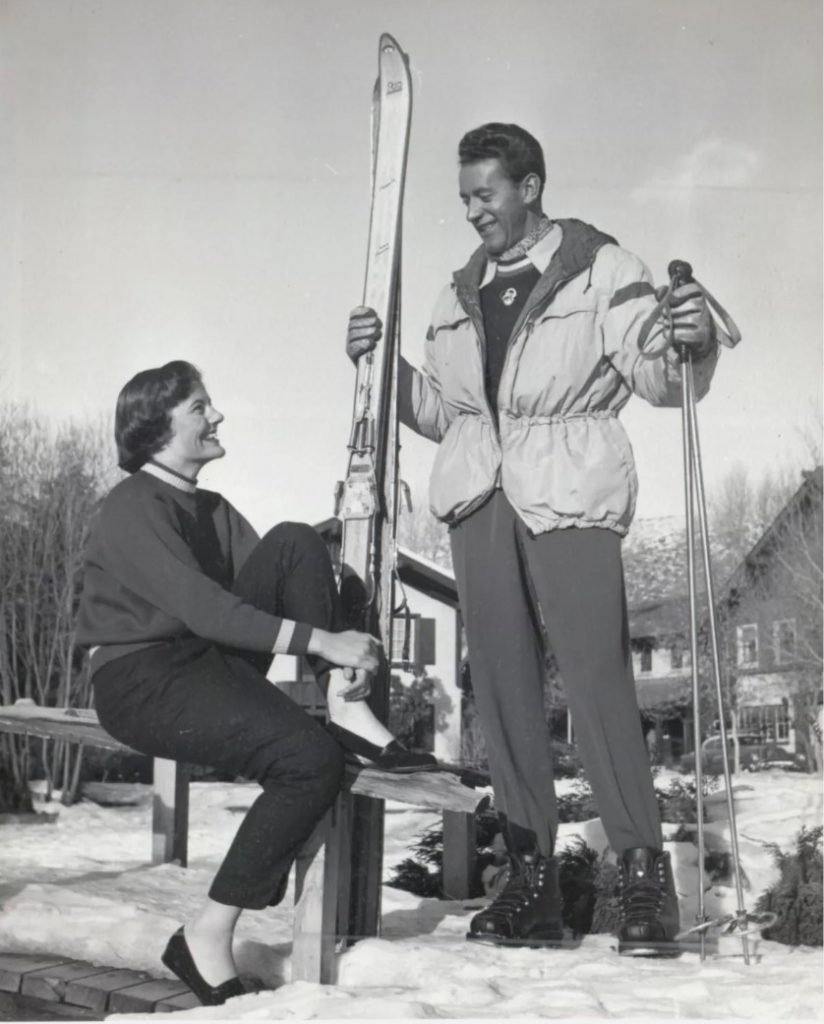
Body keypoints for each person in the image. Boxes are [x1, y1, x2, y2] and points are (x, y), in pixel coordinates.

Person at [346, 123, 719, 955]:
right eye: (464, 198)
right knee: (506, 694)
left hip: (570, 491)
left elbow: (659, 375)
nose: (473, 212)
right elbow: (447, 415)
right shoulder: (456, 293)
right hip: (481, 500)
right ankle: (532, 885)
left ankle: (643, 884)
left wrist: (687, 339)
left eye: (485, 194)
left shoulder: (601, 268)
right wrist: (383, 371)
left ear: (530, 186)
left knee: (597, 685)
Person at [75, 360, 433, 1005]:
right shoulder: (131, 505)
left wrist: (339, 628)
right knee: (307, 760)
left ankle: (343, 705)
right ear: (157, 427)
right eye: (200, 408)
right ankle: (208, 934)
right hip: (140, 678)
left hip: (202, 664)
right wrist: (325, 639)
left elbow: (265, 598)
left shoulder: (211, 506)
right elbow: (211, 611)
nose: (217, 416)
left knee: (296, 541)